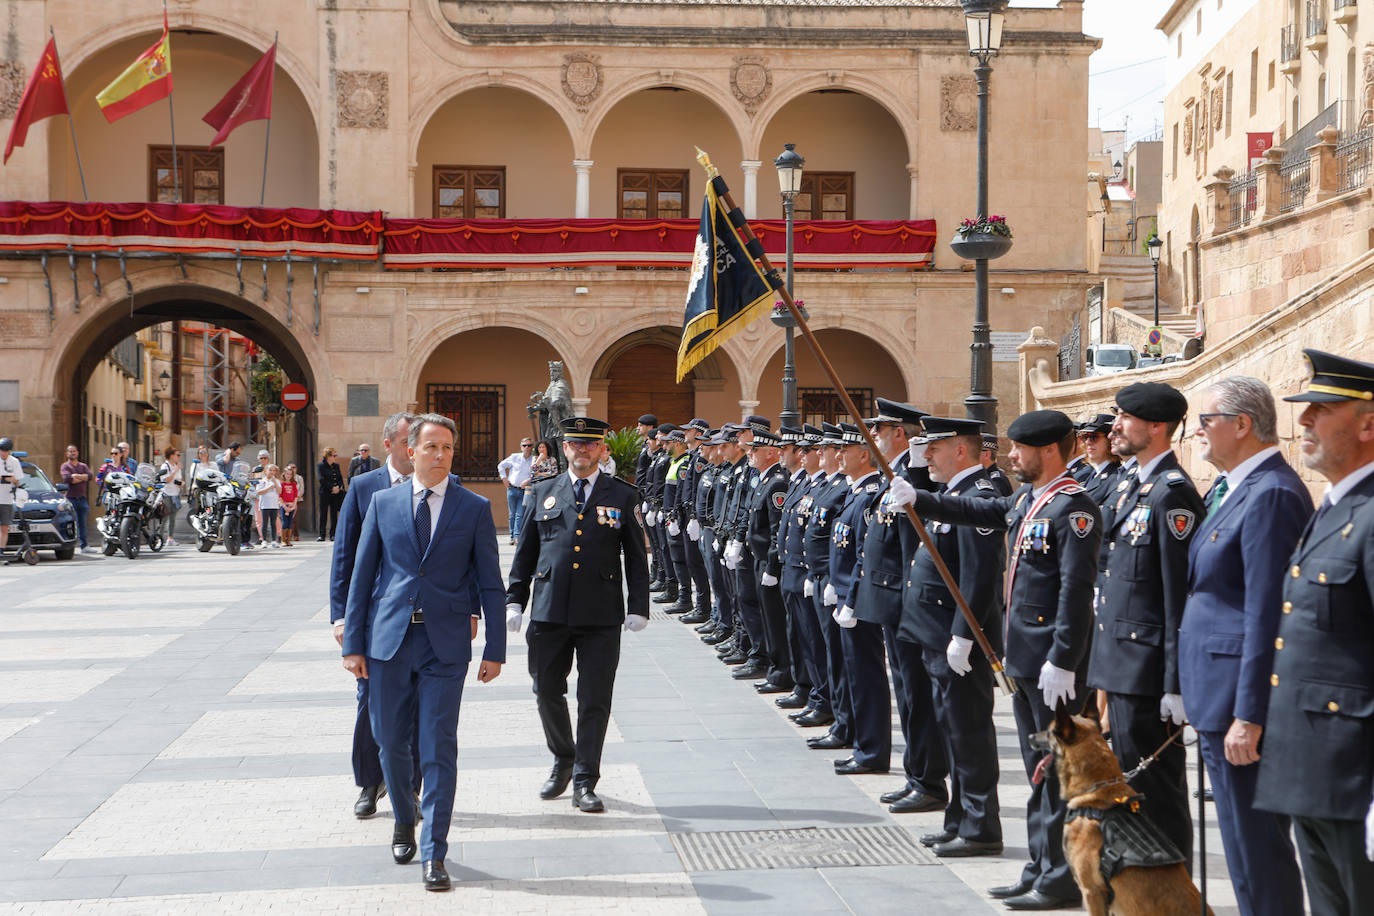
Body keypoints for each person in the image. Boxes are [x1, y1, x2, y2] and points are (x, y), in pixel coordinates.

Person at [890, 409, 1101, 911]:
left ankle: (1060, 877)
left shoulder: (1074, 507)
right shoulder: (1029, 498)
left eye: (1018, 448)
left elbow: (1075, 589)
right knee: (1038, 773)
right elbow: (981, 513)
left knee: (1057, 773)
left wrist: (1065, 658)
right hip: (1027, 660)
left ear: (1048, 450)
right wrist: (920, 497)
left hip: (1053, 665)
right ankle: (1040, 866)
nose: (1008, 455)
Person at [342, 413, 506, 893]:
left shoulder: (473, 508)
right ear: (409, 451)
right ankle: (402, 818)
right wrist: (353, 642)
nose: (440, 456)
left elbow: (491, 584)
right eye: (432, 447)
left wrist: (494, 647)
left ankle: (435, 852)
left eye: (448, 448)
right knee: (390, 742)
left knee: (438, 747)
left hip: (445, 645)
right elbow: (361, 576)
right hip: (388, 643)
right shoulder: (383, 503)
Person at [1179, 376, 1310, 916]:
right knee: (1240, 844)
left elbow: (1266, 611)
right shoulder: (1233, 487)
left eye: (1206, 420)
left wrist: (1249, 714)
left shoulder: (1272, 494)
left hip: (1238, 700)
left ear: (1242, 424)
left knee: (1258, 849)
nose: (1198, 432)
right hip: (1216, 692)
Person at [1256, 349, 1374, 916]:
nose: (1302, 421)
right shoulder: (1332, 508)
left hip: (1356, 776)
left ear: (1367, 424)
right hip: (1311, 768)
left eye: (1319, 409)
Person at [506, 416, 649, 815]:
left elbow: (637, 557)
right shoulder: (542, 491)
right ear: (564, 448)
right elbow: (526, 552)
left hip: (601, 614)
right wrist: (515, 599)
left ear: (601, 449)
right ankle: (563, 757)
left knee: (594, 699)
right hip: (550, 610)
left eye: (590, 445)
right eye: (575, 444)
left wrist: (638, 605)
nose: (582, 451)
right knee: (546, 689)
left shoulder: (622, 495)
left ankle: (586, 778)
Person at [1092, 382, 1203, 868]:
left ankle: (1168, 888)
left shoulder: (1171, 495)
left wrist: (1176, 684)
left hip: (1149, 671)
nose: (1114, 426)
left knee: (1156, 789)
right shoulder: (1129, 484)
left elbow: (1180, 597)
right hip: (1121, 665)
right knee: (1130, 788)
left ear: (1156, 427)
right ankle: (1139, 884)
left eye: (1124, 418)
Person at [897, 415, 1005, 857]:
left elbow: (980, 578)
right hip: (937, 637)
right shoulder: (951, 495)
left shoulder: (979, 497)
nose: (927, 457)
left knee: (969, 733)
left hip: (956, 640)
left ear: (960, 449)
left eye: (935, 448)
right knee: (953, 731)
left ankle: (981, 828)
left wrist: (965, 634)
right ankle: (959, 819)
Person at [852, 399, 946, 814]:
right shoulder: (895, 477)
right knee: (906, 693)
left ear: (901, 435)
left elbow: (918, 551)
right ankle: (916, 774)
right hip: (892, 603)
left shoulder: (919, 478)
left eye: (880, 430)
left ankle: (928, 780)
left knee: (918, 695)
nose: (873, 437)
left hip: (911, 604)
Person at [331, 413, 424, 818]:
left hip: (421, 618)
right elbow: (345, 556)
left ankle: (410, 788)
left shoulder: (440, 485)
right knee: (370, 702)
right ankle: (369, 783)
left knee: (420, 704)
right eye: (408, 440)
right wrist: (341, 618)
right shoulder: (364, 486)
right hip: (373, 619)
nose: (413, 448)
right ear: (388, 444)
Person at [60, 444, 97, 554]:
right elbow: (67, 478)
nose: (72, 453)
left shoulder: (83, 466)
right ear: (67, 454)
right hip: (70, 499)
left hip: (82, 499)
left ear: (77, 453)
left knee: (82, 523)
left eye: (74, 451)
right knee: (70, 523)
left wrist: (76, 476)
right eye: (70, 451)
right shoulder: (65, 466)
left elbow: (90, 476)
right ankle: (69, 545)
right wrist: (82, 477)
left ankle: (84, 545)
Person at [497, 438, 535, 544]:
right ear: (521, 447)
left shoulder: (534, 459)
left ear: (532, 447)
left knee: (520, 514)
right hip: (512, 489)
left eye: (529, 445)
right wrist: (504, 478)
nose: (526, 448)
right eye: (524, 445)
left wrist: (528, 480)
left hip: (524, 490)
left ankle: (517, 536)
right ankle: (512, 535)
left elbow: (536, 474)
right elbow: (501, 465)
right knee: (512, 514)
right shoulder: (515, 457)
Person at [317, 447, 345, 540]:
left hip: (335, 493)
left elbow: (340, 478)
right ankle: (322, 535)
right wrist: (331, 487)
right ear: (328, 456)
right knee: (323, 514)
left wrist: (338, 487)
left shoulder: (336, 466)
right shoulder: (320, 465)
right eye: (334, 455)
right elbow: (321, 479)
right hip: (325, 493)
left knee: (334, 514)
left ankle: (333, 534)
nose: (335, 457)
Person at [0, 438, 22, 554]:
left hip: (7, 500)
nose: (3, 453)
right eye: (2, 450)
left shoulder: (14, 462)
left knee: (4, 527)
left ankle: (1, 551)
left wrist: (12, 479)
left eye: (6, 451)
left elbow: (18, 481)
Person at [159, 446, 184, 547]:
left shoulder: (177, 466)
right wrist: (175, 470)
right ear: (171, 455)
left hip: (175, 494)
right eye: (177, 455)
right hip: (167, 494)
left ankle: (170, 538)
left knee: (173, 518)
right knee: (165, 517)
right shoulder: (165, 466)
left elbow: (179, 479)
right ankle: (159, 538)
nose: (179, 457)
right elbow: (166, 480)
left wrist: (181, 483)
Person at [256, 465, 283, 547]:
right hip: (265, 505)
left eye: (274, 470)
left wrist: (274, 482)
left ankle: (274, 540)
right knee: (264, 523)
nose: (272, 472)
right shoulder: (261, 481)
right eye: (270, 470)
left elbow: (279, 491)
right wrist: (268, 488)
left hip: (274, 505)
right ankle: (264, 540)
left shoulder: (277, 481)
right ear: (266, 471)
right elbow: (258, 492)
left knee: (273, 523)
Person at [280, 464, 301, 546]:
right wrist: (284, 506)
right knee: (284, 522)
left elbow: (296, 496)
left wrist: (293, 505)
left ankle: (288, 540)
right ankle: (283, 540)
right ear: (284, 474)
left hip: (292, 505)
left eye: (290, 474)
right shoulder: (282, 484)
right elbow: (280, 496)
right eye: (287, 474)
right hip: (284, 505)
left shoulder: (293, 484)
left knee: (290, 523)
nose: (288, 476)